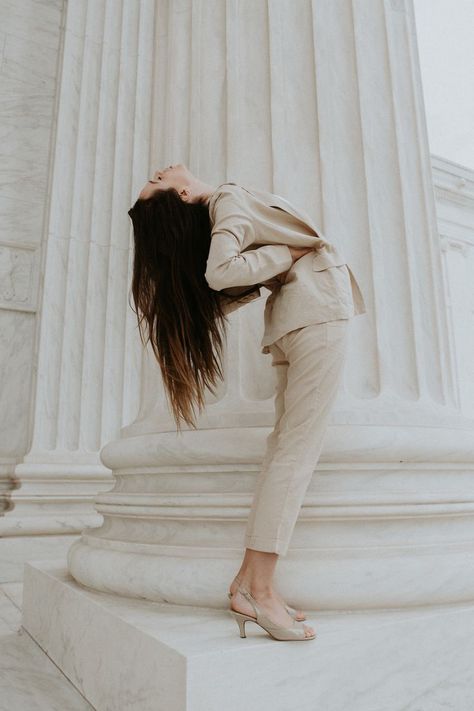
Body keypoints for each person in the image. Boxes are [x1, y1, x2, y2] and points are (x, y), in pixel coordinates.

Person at [128, 163, 366, 642]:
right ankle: (260, 590)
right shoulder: (227, 198)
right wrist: (287, 252)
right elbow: (221, 274)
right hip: (315, 319)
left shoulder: (223, 207)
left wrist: (277, 259)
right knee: (295, 455)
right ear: (180, 194)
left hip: (296, 321)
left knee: (286, 452)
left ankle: (245, 583)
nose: (157, 169)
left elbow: (227, 281)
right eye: (155, 181)